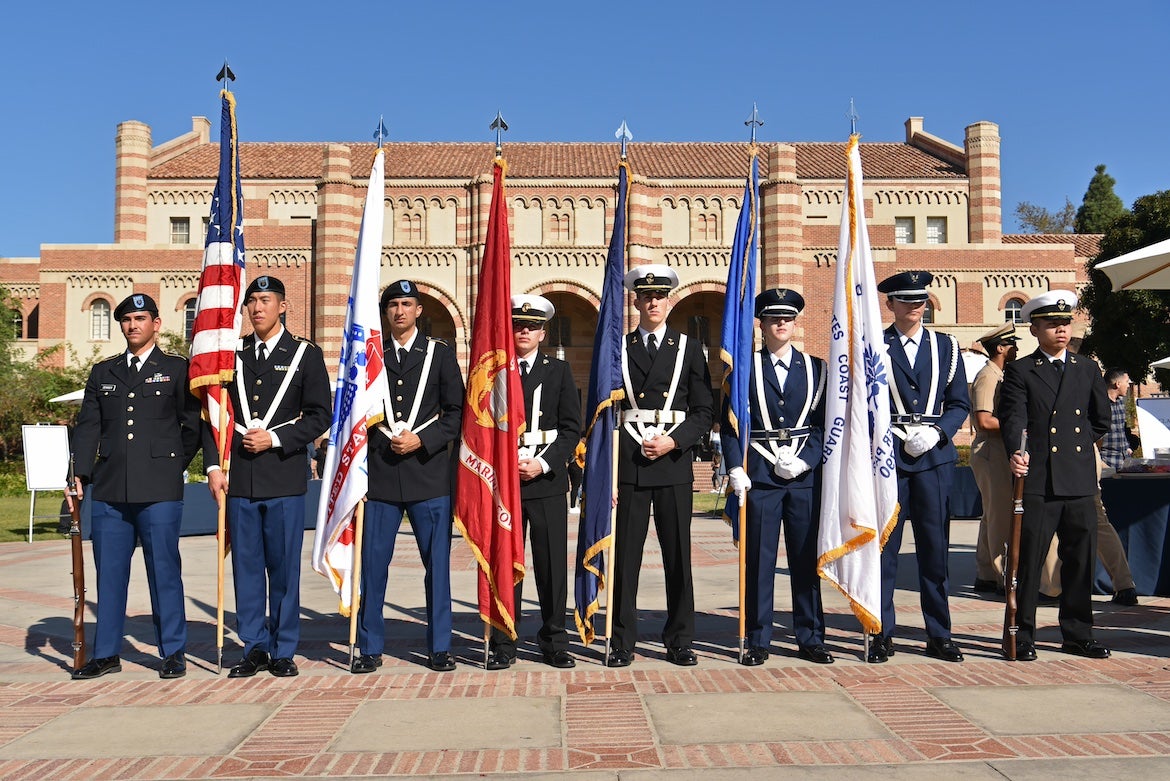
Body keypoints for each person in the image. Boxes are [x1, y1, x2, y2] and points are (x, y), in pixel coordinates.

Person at [68, 293, 201, 679]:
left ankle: (172, 651)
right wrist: (78, 473)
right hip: (110, 490)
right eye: (126, 320)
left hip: (159, 490)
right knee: (108, 574)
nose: (133, 325)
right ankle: (107, 652)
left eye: (141, 318)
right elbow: (88, 427)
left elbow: (191, 425)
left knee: (164, 571)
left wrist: (171, 461)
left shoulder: (176, 368)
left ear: (156, 324)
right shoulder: (103, 372)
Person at [204, 275, 331, 678]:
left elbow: (319, 415)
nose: (257, 308)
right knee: (246, 567)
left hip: (283, 478)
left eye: (266, 300)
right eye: (252, 301)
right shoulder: (231, 354)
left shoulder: (305, 355)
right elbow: (211, 414)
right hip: (239, 478)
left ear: (283, 306)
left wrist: (275, 438)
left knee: (283, 569)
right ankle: (254, 646)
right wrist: (211, 467)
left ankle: (283, 649)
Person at [351, 280, 464, 674]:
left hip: (427, 476)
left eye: (407, 304)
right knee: (373, 566)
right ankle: (369, 646)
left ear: (419, 310)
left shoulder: (439, 354)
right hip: (379, 477)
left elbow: (455, 414)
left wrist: (423, 440)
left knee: (437, 567)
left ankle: (439, 646)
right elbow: (352, 418)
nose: (400, 311)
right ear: (385, 312)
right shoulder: (369, 358)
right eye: (393, 305)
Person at [608, 265, 713, 667]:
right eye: (645, 296)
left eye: (659, 296)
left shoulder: (689, 349)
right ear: (635, 301)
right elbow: (605, 413)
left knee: (678, 557)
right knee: (625, 560)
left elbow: (704, 411)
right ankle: (622, 640)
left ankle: (681, 639)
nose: (652, 302)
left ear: (670, 301)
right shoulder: (618, 348)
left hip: (672, 461)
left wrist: (675, 440)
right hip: (631, 464)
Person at [1000, 290, 1112, 661]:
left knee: (1080, 561)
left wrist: (1076, 453)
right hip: (1039, 479)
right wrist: (1018, 451)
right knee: (1028, 560)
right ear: (1035, 329)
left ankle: (1078, 634)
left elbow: (1100, 420)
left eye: (1065, 323)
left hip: (1078, 479)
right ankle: (1023, 633)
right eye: (1052, 324)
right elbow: (1014, 417)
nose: (1061, 330)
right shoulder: (1020, 370)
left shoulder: (1087, 368)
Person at [722, 288, 832, 666]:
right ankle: (758, 638)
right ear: (761, 324)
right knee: (759, 562)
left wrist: (806, 461)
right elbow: (730, 423)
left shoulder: (818, 368)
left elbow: (823, 426)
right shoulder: (743, 369)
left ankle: (811, 636)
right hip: (761, 478)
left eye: (787, 318)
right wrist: (735, 465)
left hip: (802, 478)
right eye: (773, 318)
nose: (780, 323)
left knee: (805, 560)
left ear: (795, 322)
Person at [871, 271, 970, 664]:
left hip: (934, 460)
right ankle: (880, 632)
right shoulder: (874, 345)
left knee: (935, 551)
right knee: (884, 553)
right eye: (905, 300)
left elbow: (959, 402)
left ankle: (939, 633)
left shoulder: (946, 347)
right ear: (889, 304)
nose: (914, 306)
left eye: (920, 300)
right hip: (889, 459)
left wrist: (940, 434)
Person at [486, 294, 582, 670]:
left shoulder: (558, 372)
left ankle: (555, 640)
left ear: (543, 333)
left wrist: (542, 464)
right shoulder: (494, 373)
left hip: (546, 479)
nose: (524, 330)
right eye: (517, 325)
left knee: (551, 564)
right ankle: (504, 641)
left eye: (532, 326)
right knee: (506, 563)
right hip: (504, 481)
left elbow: (571, 429)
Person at [970, 322, 1019, 594]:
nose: (1016, 348)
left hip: (996, 450)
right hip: (991, 449)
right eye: (1012, 344)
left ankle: (986, 573)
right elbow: (984, 420)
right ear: (1000, 348)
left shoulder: (999, 374)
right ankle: (1003, 577)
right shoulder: (989, 376)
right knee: (1001, 516)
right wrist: (1020, 425)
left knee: (991, 514)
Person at [1099, 369, 1133, 470]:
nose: (1128, 385)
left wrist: (1127, 447)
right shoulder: (1098, 404)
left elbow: (1121, 430)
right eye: (1127, 382)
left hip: (1125, 462)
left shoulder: (1120, 402)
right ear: (1118, 384)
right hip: (1106, 462)